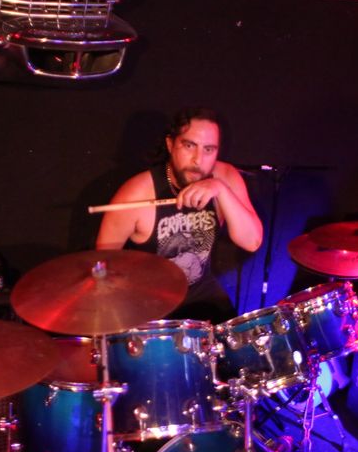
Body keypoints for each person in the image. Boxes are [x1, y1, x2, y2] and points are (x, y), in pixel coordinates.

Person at [96, 107, 263, 322]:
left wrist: (221, 190)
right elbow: (100, 268)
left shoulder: (225, 177)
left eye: (209, 149)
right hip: (152, 312)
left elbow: (252, 242)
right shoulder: (135, 195)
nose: (198, 160)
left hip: (205, 303)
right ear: (170, 144)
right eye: (189, 145)